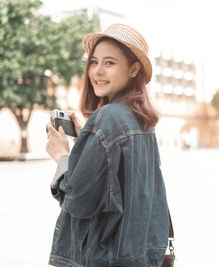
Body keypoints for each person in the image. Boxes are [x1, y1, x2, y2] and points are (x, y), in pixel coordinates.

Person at [45, 24, 170, 266]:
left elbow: (78, 200)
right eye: (93, 62)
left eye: (109, 63)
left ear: (133, 69)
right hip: (139, 257)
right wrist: (89, 139)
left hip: (105, 258)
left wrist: (62, 156)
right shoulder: (141, 121)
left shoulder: (107, 119)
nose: (97, 72)